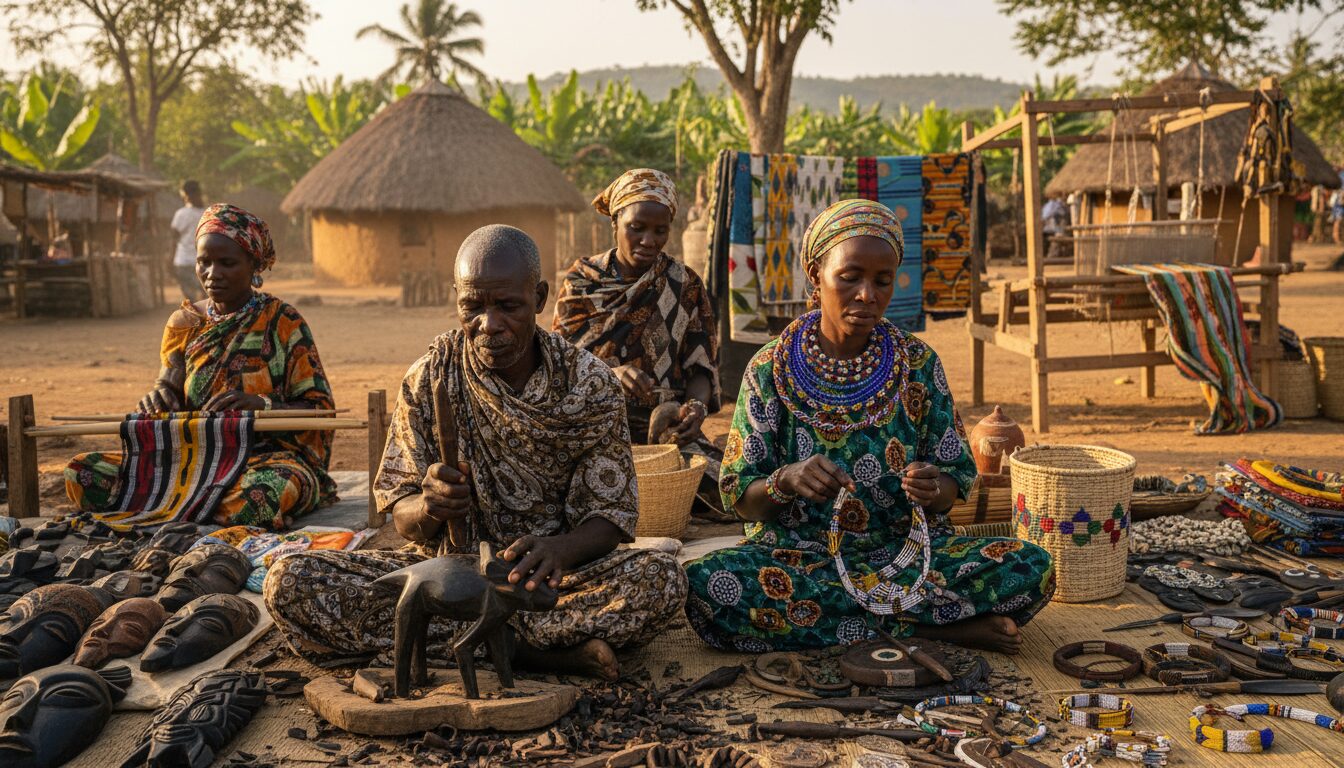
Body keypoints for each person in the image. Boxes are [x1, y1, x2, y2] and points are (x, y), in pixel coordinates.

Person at [265, 225, 687, 681]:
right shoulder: (429, 378)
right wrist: (429, 506)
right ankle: (528, 652)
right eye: (473, 307)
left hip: (547, 581)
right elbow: (400, 514)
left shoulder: (589, 384)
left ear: (539, 297)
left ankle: (474, 644)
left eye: (508, 306)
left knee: (661, 578)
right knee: (290, 579)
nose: (489, 324)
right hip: (444, 577)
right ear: (457, 299)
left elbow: (610, 517)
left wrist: (559, 549)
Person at [684, 200, 1054, 655]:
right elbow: (741, 499)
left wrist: (931, 486)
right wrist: (786, 480)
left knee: (1031, 564)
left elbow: (956, 482)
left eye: (882, 281)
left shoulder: (917, 364)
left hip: (908, 556)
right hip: (800, 559)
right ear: (815, 275)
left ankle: (854, 624)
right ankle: (924, 629)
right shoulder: (769, 369)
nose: (867, 295)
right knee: (708, 586)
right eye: (850, 277)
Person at [65, 204, 337, 529]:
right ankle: (199, 505)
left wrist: (261, 406)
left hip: (266, 459)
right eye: (204, 262)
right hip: (192, 460)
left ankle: (174, 504)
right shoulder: (184, 323)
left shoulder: (283, 322)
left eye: (227, 263)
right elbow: (170, 386)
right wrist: (158, 399)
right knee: (83, 472)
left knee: (262, 494)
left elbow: (319, 410)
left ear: (254, 264)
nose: (212, 273)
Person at [553, 168, 724, 514]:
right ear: (615, 222)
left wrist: (696, 410)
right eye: (637, 228)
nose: (649, 240)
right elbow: (557, 365)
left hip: (664, 431)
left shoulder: (684, 284)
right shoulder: (581, 285)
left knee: (728, 490)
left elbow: (701, 368)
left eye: (660, 231)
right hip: (592, 427)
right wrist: (610, 375)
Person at [170, 181, 206, 301]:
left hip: (183, 262)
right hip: (204, 262)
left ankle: (196, 318)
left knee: (191, 301)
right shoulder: (208, 213)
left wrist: (170, 259)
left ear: (186, 195)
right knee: (206, 297)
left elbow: (173, 238)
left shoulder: (181, 214)